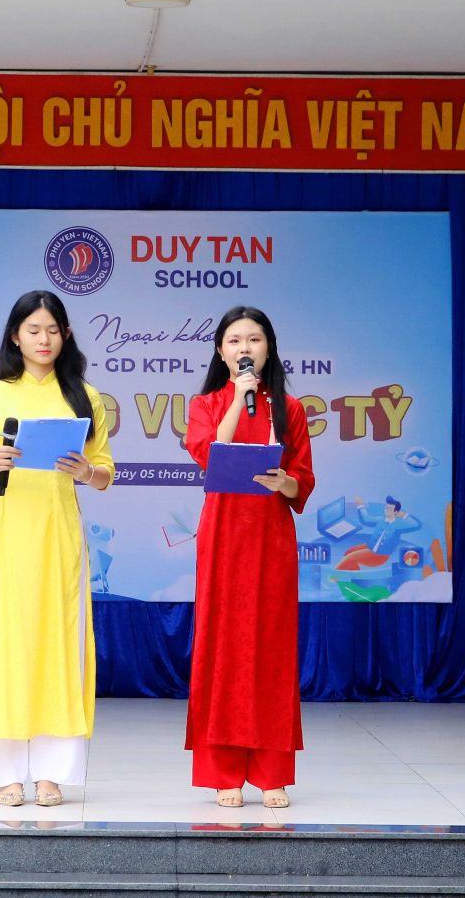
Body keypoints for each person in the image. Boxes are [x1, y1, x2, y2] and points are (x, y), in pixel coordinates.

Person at [0, 290, 114, 807]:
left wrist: (86, 471)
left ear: (66, 335)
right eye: (33, 330)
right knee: (4, 647)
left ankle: (51, 773)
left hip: (59, 536)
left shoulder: (84, 397)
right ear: (15, 337)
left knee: (59, 647)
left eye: (52, 330)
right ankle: (5, 774)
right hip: (5, 536)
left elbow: (105, 473)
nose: (44, 339)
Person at [184, 305, 315, 809]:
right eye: (235, 340)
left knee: (270, 651)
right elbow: (208, 452)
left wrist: (285, 482)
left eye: (254, 339)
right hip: (222, 538)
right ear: (221, 352)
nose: (245, 348)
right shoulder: (207, 404)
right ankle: (224, 773)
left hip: (270, 539)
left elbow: (303, 479)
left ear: (269, 349)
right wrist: (240, 400)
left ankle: (270, 771)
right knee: (222, 650)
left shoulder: (292, 408)